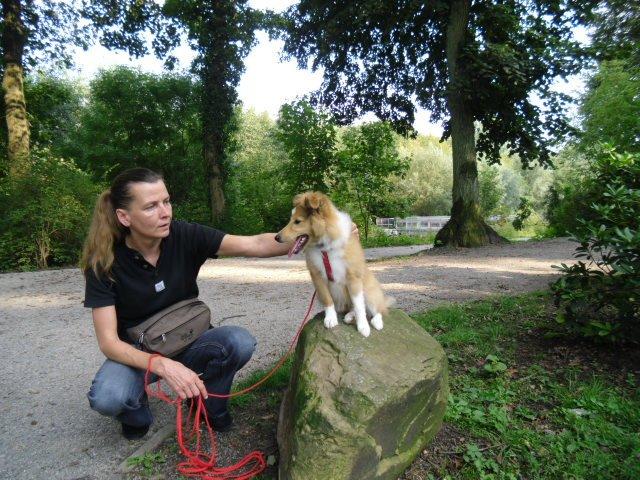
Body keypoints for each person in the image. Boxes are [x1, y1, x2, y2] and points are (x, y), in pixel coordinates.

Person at [81, 167, 294, 440]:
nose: (165, 213)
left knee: (239, 342)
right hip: (141, 352)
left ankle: (205, 403)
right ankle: (136, 412)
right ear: (124, 217)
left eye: (166, 201)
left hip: (190, 339)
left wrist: (315, 236)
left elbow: (256, 244)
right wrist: (162, 365)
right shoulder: (103, 263)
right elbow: (109, 343)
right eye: (151, 206)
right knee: (108, 397)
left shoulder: (184, 235)